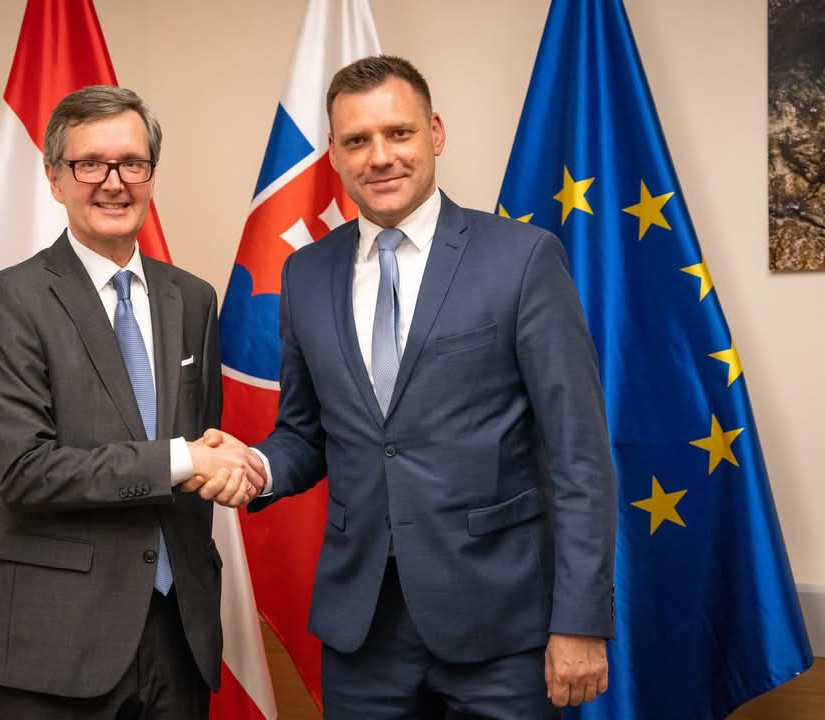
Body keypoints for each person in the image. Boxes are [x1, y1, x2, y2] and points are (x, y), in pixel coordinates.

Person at [211, 55, 617, 718]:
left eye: (398, 133)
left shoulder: (522, 259)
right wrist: (255, 465)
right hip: (363, 631)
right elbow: (306, 434)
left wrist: (580, 620)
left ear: (435, 132)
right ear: (335, 154)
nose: (380, 157)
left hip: (501, 625)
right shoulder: (306, 274)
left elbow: (580, 457)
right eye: (357, 140)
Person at [0, 85, 259, 720]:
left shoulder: (194, 299)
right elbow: (23, 471)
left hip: (181, 632)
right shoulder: (9, 300)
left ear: (151, 174)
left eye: (132, 163)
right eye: (89, 164)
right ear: (54, 178)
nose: (113, 182)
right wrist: (185, 459)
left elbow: (202, 442)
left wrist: (231, 470)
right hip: (59, 641)